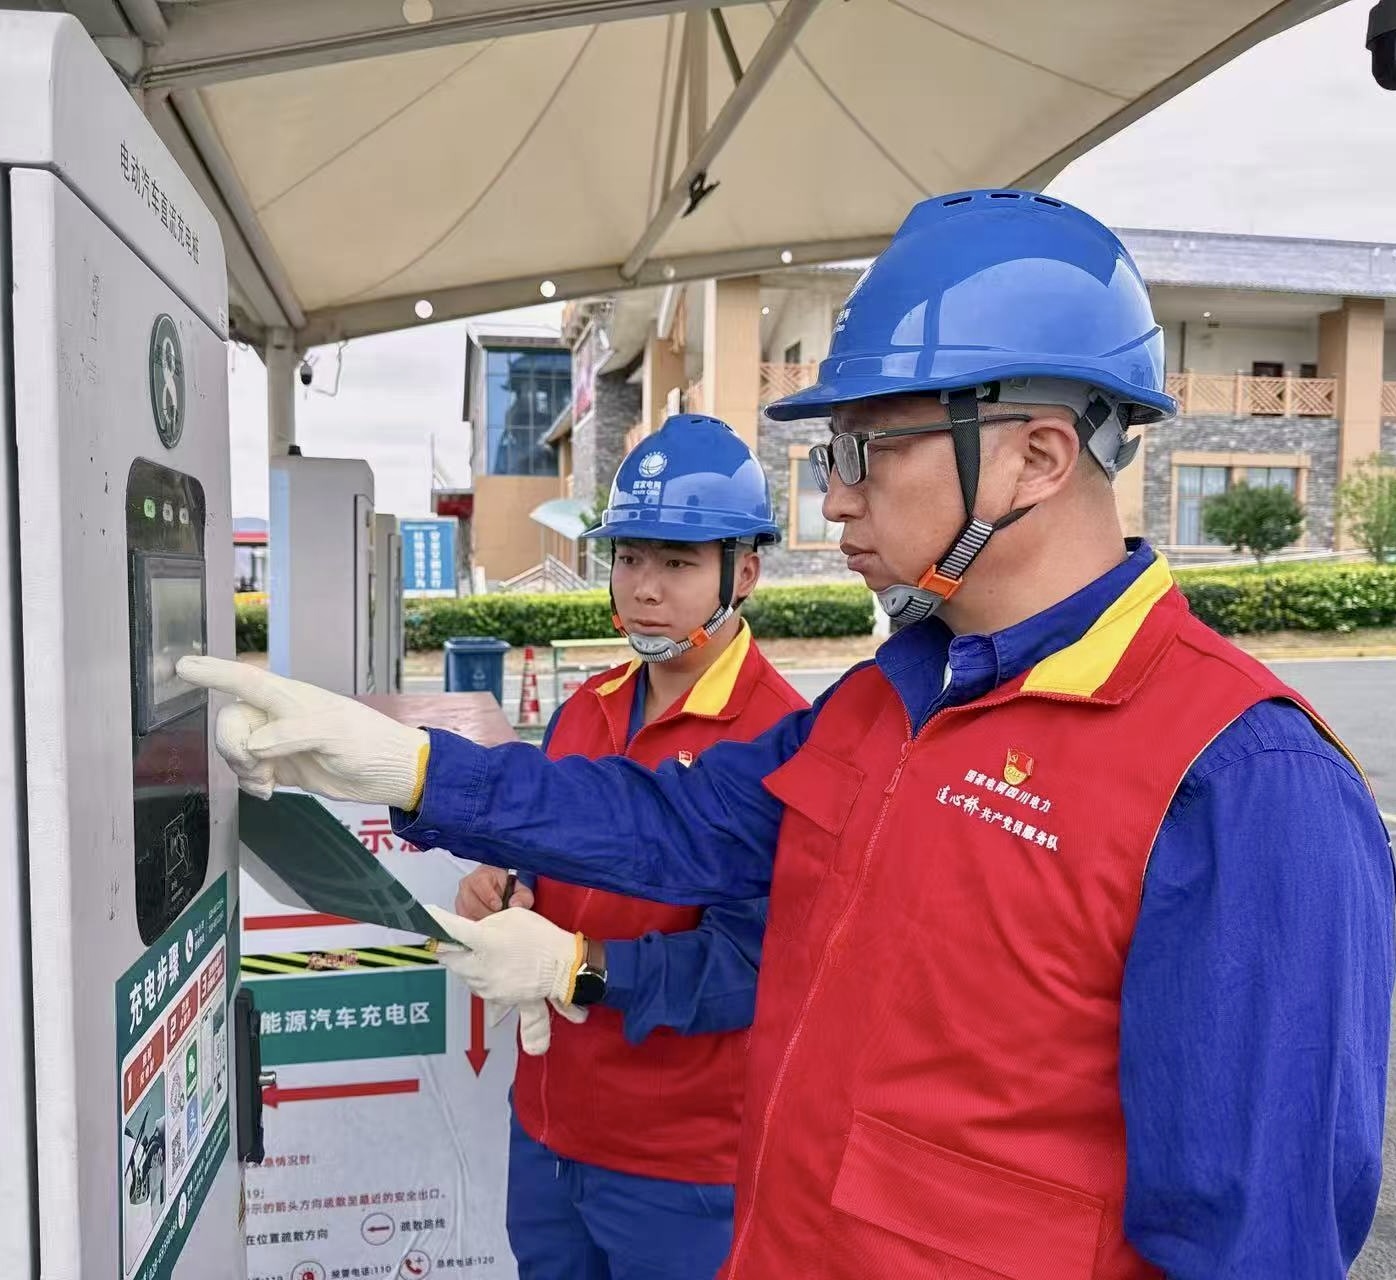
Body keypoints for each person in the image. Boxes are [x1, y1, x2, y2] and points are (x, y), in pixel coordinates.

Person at [181, 189, 1394, 1279]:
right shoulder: (884, 703)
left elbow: (1254, 1241)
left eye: (865, 448)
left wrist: (584, 965)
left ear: (1035, 455)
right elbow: (670, 826)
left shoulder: (1242, 781)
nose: (834, 494)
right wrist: (411, 766)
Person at [438, 414, 806, 1280]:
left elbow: (747, 967)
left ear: (745, 572)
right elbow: (542, 855)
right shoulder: (586, 706)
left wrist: (579, 966)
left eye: (677, 564)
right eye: (630, 557)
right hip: (548, 1128)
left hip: (682, 1167)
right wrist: (507, 885)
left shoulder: (784, 739)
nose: (644, 588)